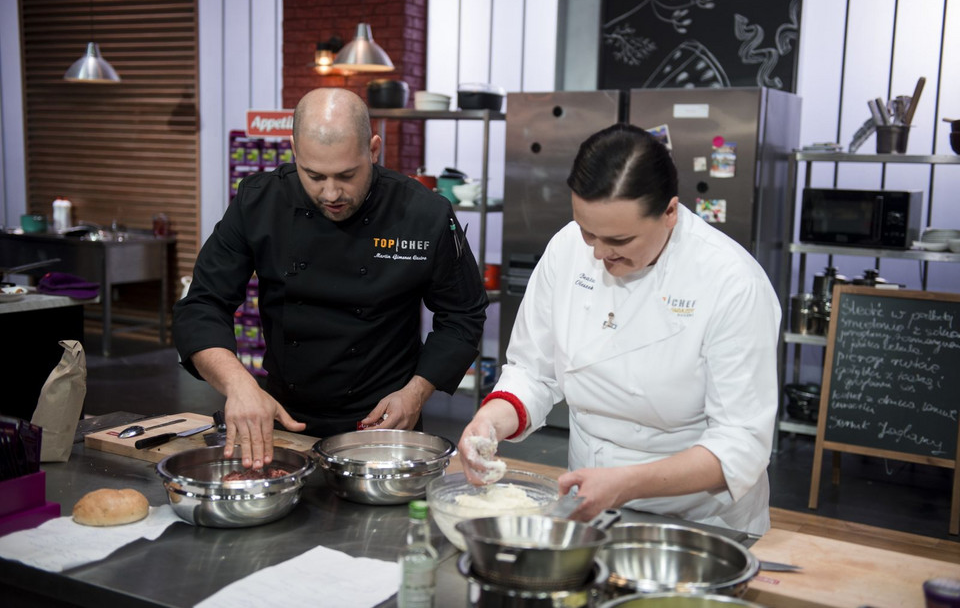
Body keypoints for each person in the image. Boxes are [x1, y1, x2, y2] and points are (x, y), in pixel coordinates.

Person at [458, 123, 780, 535]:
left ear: (670, 212)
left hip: (699, 520)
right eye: (587, 231)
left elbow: (741, 445)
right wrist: (489, 422)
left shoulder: (732, 283)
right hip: (590, 504)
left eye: (619, 239)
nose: (598, 252)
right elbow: (533, 370)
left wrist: (625, 482)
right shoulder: (566, 250)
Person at [174, 88, 488, 469]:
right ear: (294, 150)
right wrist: (239, 385)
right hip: (281, 419)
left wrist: (416, 393)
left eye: (346, 175)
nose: (331, 193)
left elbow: (463, 314)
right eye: (314, 175)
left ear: (374, 150)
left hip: (384, 423)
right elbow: (203, 303)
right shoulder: (258, 202)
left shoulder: (424, 214)